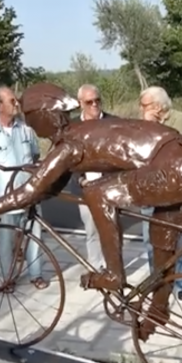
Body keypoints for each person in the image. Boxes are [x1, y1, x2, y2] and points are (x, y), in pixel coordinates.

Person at [0, 83, 182, 340]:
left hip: (175, 167)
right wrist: (39, 174)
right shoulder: (78, 133)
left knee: (96, 192)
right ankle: (159, 311)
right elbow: (48, 184)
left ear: (43, 116)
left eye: (30, 118)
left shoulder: (69, 144)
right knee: (162, 243)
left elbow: (31, 191)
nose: (29, 125)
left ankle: (114, 274)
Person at [0, 86, 48, 290]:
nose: (16, 104)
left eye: (16, 100)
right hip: (3, 199)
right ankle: (8, 278)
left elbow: (34, 157)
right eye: (12, 101)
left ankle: (36, 274)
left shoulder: (26, 130)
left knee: (34, 237)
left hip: (29, 195)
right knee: (5, 241)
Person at [138, 86, 182, 301]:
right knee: (150, 238)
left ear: (157, 106)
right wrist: (147, 125)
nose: (141, 109)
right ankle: (158, 278)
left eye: (144, 105)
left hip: (174, 190)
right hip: (149, 189)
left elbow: (174, 148)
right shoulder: (142, 123)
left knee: (181, 238)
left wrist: (156, 125)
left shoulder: (179, 118)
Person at [73, 84, 113, 269]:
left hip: (110, 189)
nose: (95, 105)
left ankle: (113, 267)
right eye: (89, 102)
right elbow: (67, 160)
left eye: (98, 100)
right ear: (81, 103)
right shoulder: (72, 127)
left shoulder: (114, 122)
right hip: (86, 188)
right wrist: (81, 180)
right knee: (92, 231)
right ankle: (96, 267)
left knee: (113, 231)